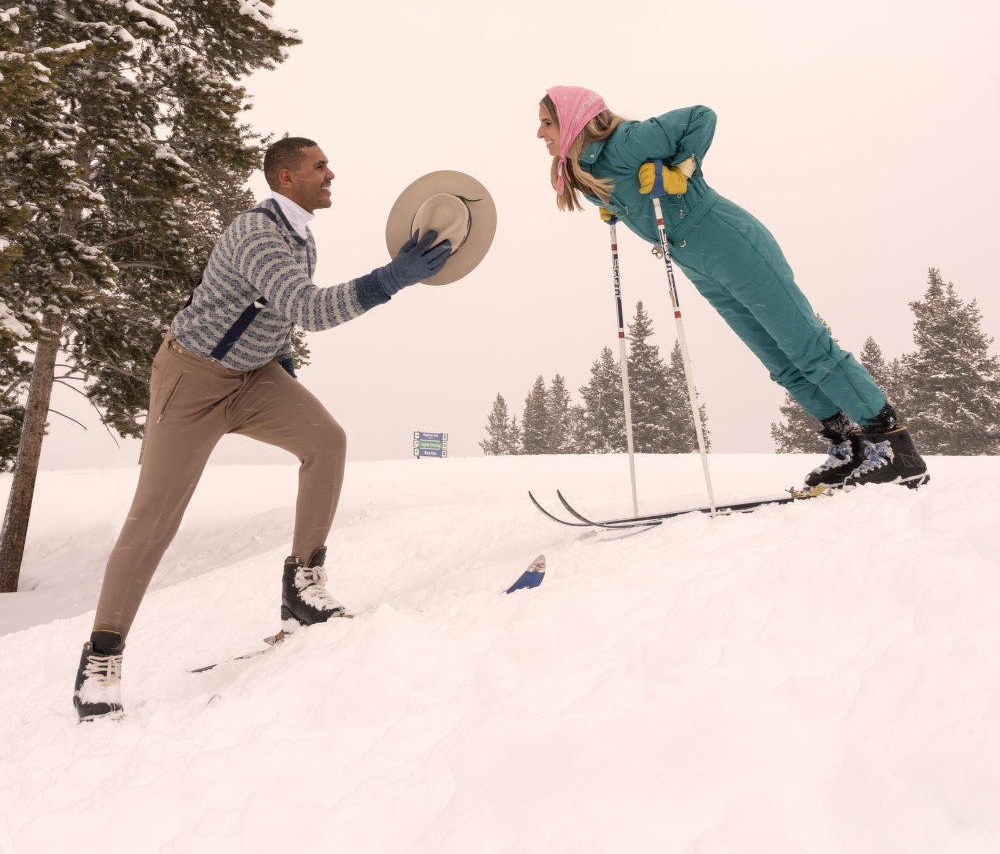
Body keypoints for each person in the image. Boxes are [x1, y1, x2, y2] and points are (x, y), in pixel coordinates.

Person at [73, 136, 452, 722]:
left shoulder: (301, 235)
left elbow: (274, 315)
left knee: (326, 441)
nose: (332, 173)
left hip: (253, 378)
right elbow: (308, 309)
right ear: (285, 178)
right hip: (190, 382)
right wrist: (390, 279)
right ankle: (103, 657)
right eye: (318, 166)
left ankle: (302, 584)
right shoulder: (256, 233)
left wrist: (284, 370)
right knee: (155, 517)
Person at [537, 87, 928, 499]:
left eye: (547, 123)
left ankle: (894, 448)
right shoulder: (582, 170)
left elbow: (700, 116)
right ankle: (847, 444)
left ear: (574, 120)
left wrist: (682, 169)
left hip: (730, 242)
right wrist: (615, 205)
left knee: (806, 346)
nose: (540, 133)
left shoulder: (627, 140)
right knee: (779, 361)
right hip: (696, 262)